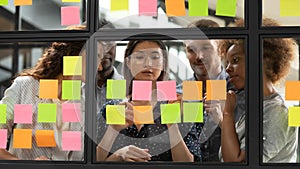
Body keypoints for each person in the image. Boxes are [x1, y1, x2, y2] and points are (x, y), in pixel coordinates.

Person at [96, 40, 201, 162]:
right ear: (128, 62)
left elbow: (189, 164)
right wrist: (117, 155)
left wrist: (172, 126)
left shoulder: (178, 106)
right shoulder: (112, 107)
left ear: (164, 63)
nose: (148, 64)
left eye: (155, 57)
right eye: (140, 57)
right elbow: (92, 163)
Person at [219, 18, 298, 162]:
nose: (228, 69)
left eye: (235, 60)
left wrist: (227, 114)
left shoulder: (278, 111)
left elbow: (237, 163)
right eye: (227, 63)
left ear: (262, 60)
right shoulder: (257, 106)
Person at [0, 35, 86, 160]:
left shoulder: (84, 97)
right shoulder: (25, 86)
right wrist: (27, 166)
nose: (98, 67)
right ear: (72, 58)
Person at [176, 19, 236, 162]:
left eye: (206, 48)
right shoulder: (178, 94)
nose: (199, 57)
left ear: (221, 49)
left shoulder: (237, 90)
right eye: (191, 50)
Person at [95, 19, 123, 112]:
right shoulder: (73, 87)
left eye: (109, 42)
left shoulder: (129, 88)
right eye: (98, 43)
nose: (104, 49)